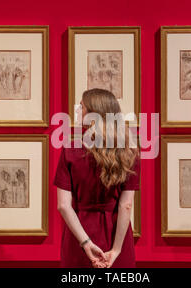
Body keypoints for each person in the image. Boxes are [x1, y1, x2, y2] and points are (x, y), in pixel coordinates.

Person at [53, 88, 140, 268]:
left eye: (82, 106)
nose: (77, 109)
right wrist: (116, 250)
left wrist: (86, 243)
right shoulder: (129, 153)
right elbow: (126, 205)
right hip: (116, 234)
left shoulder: (70, 151)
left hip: (79, 234)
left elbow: (63, 205)